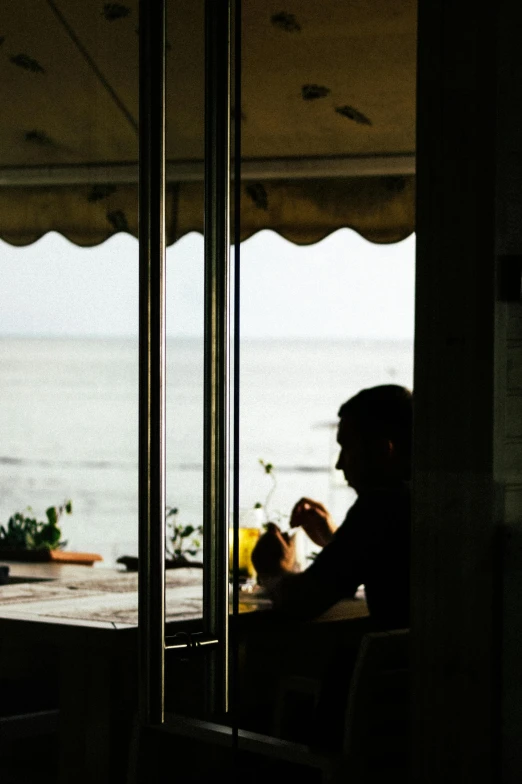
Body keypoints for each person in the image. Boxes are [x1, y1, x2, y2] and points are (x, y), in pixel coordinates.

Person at [251, 384, 412, 631]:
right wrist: (334, 538)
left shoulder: (381, 505)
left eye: (346, 448)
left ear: (382, 450)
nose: (338, 465)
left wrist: (273, 569)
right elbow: (380, 558)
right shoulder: (424, 500)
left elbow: (301, 602)